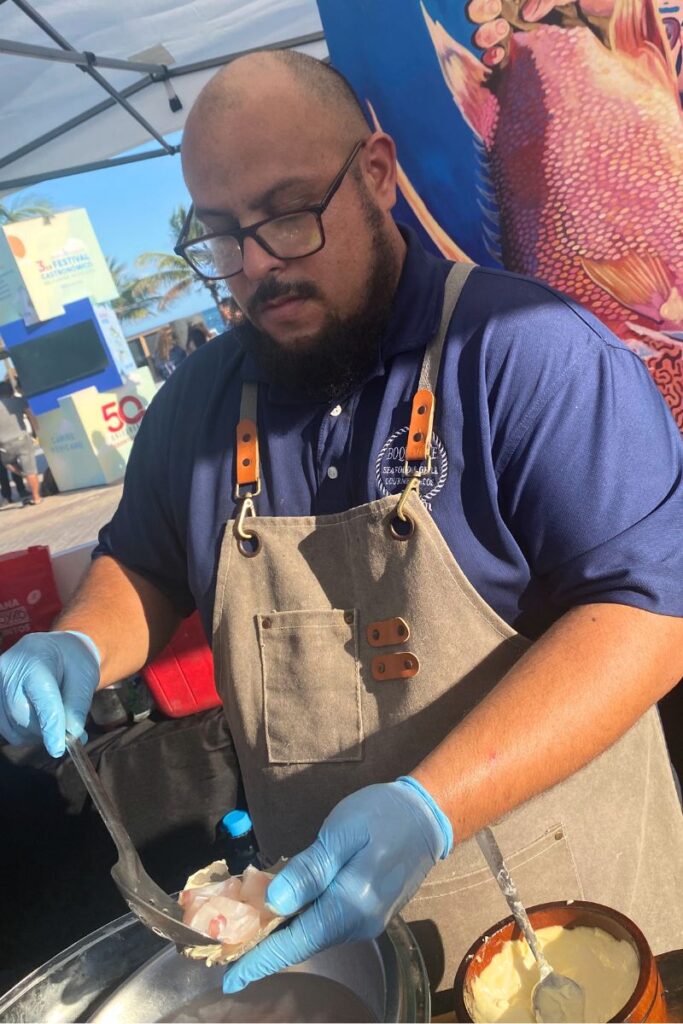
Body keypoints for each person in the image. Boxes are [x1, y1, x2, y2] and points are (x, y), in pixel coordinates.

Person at [1, 50, 682, 1009]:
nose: (260, 265)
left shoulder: (526, 354)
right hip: (333, 970)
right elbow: (142, 564)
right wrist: (80, 638)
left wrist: (427, 807)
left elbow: (650, 617)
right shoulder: (195, 406)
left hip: (575, 946)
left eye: (287, 214)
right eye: (224, 237)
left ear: (374, 173)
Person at [0, 378, 41, 506]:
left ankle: (23, 475)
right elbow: (30, 414)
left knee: (8, 464)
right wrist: (36, 431)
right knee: (31, 470)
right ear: (11, 391)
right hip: (22, 439)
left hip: (4, 445)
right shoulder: (18, 401)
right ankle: (36, 497)